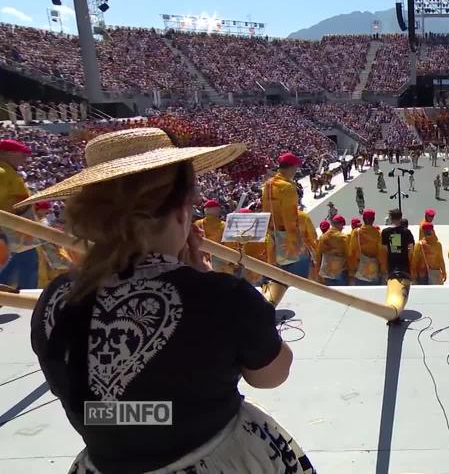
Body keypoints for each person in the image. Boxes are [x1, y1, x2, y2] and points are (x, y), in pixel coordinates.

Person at [24, 127, 312, 472]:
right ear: (182, 211)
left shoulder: (56, 298)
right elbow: (271, 375)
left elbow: (94, 409)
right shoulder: (222, 296)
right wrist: (204, 284)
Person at [262, 153, 310, 279]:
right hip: (286, 238)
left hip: (271, 234)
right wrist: (298, 240)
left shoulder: (268, 184)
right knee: (298, 271)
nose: (296, 171)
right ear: (291, 168)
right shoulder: (288, 187)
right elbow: (291, 217)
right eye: (295, 168)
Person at [0, 138, 39, 289]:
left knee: (18, 263)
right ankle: (28, 300)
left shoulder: (8, 172)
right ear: (6, 153)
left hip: (17, 229)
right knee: (27, 264)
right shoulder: (2, 173)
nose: (25, 158)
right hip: (10, 229)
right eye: (21, 154)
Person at [347, 209, 387, 286]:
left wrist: (352, 271)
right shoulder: (378, 233)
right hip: (374, 271)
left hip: (360, 271)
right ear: (373, 219)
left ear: (363, 219)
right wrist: (383, 270)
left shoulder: (356, 232)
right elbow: (381, 254)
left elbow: (352, 252)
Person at [194, 199, 230, 273]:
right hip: (219, 262)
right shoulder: (225, 225)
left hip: (200, 260)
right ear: (216, 210)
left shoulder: (197, 223)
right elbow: (229, 245)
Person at [381, 208, 414, 278]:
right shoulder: (407, 232)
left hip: (391, 265)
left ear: (390, 218)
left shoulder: (385, 232)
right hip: (404, 265)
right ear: (401, 218)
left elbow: (384, 251)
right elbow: (411, 250)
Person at [317, 215, 349, 286]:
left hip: (326, 271)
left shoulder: (323, 237)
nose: (342, 228)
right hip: (340, 271)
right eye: (342, 226)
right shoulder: (343, 238)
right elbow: (348, 254)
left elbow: (319, 254)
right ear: (339, 224)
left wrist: (318, 268)